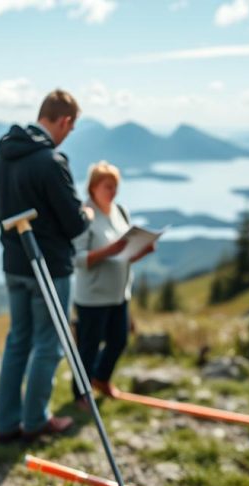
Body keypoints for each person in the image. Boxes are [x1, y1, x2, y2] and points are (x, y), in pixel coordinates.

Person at [0, 89, 93, 443]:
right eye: (71, 128)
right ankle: (35, 421)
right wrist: (87, 214)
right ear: (64, 121)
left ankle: (6, 424)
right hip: (50, 268)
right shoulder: (51, 161)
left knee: (18, 340)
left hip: (13, 264)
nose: (68, 134)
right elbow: (74, 224)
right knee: (48, 344)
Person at [71, 161, 154, 407]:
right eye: (108, 186)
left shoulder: (120, 211)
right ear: (94, 187)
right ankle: (80, 393)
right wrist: (111, 250)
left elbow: (124, 255)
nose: (113, 192)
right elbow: (77, 259)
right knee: (88, 346)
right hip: (93, 295)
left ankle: (101, 378)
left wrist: (142, 251)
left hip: (119, 292)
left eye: (115, 187)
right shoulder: (85, 215)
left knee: (119, 340)